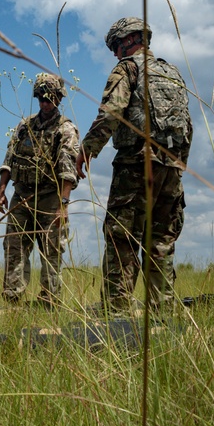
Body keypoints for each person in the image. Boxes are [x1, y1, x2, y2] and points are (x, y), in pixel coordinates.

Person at [75, 17, 192, 313]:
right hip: (171, 172)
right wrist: (179, 167)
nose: (115, 53)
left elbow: (112, 112)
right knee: (161, 244)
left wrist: (87, 151)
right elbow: (187, 127)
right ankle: (162, 318)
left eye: (116, 46)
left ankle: (116, 318)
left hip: (136, 167)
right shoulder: (172, 73)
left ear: (129, 40)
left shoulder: (127, 68)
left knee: (121, 240)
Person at [0, 73, 79, 306]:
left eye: (49, 97)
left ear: (59, 99)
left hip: (51, 199)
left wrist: (63, 206)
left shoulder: (66, 130)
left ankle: (49, 302)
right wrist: (1, 190)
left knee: (51, 252)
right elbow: (9, 159)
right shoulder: (25, 126)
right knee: (14, 248)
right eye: (41, 97)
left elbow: (68, 173)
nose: (45, 102)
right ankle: (12, 299)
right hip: (21, 196)